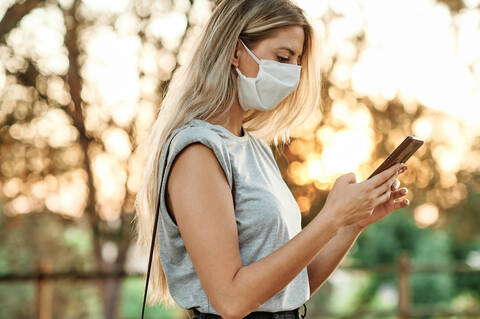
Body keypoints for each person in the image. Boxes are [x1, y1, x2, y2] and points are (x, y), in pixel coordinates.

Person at [134, 0, 410, 318]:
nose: (291, 73)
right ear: (236, 51)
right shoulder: (198, 153)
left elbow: (291, 287)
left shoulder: (255, 149)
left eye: (296, 62)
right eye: (282, 57)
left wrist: (351, 223)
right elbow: (231, 300)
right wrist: (330, 218)